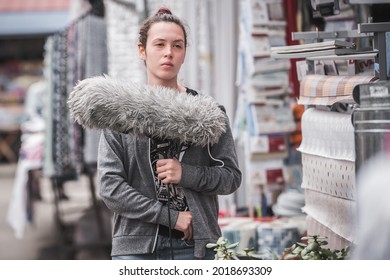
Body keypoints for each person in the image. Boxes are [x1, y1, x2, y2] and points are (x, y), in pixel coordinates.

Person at [97, 7, 241, 260]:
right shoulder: (120, 113)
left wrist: (186, 174)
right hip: (137, 247)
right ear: (142, 50)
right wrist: (170, 217)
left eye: (177, 46)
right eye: (159, 44)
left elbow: (230, 177)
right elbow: (111, 188)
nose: (168, 53)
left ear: (184, 53)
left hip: (196, 246)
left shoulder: (208, 112)